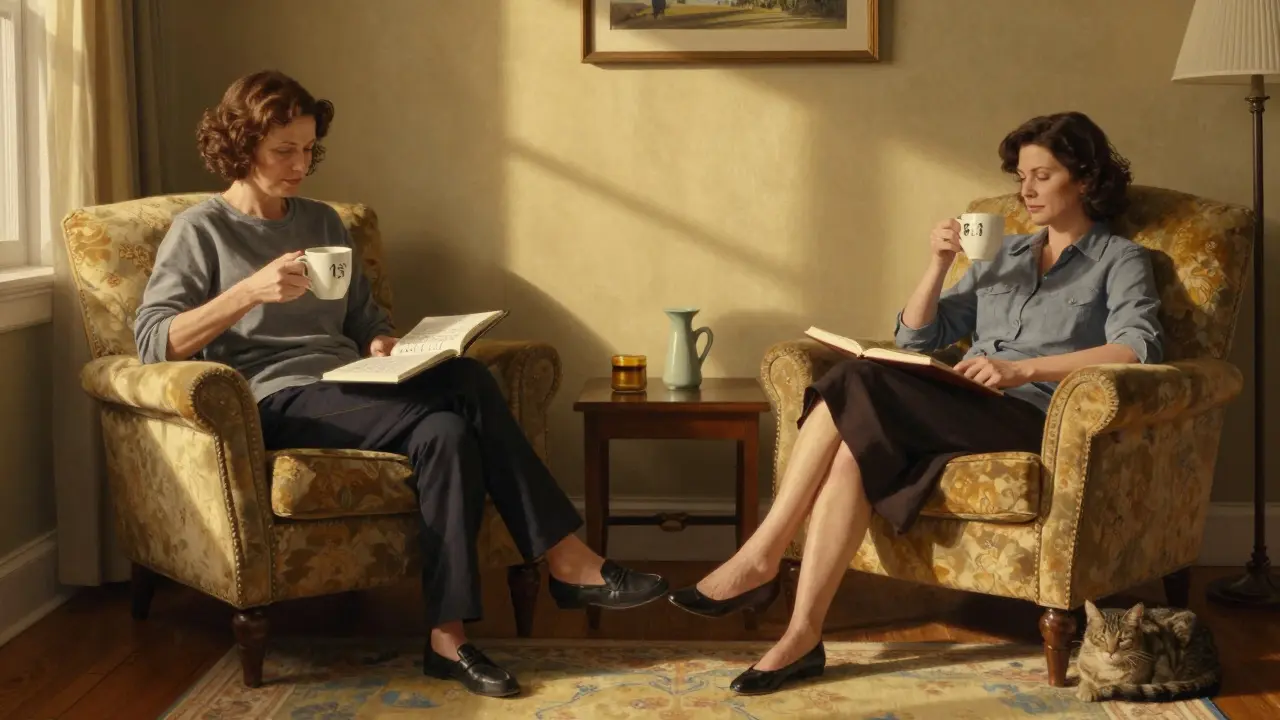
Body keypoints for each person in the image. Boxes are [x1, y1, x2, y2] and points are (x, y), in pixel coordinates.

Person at [134, 70, 668, 698]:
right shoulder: (201, 231)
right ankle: (566, 557)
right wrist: (248, 291)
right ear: (242, 143)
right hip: (273, 401)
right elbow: (153, 341)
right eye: (284, 150)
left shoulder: (324, 224)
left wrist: (383, 345)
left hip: (351, 386)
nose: (301, 165)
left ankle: (448, 640)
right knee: (466, 382)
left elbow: (363, 319)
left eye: (309, 149)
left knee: (446, 432)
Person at [668, 111, 1165, 695]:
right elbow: (917, 338)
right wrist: (937, 264)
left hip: (1035, 415)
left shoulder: (1120, 259)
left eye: (1042, 175)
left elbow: (1139, 346)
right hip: (962, 405)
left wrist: (1023, 368)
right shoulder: (1002, 255)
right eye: (1021, 176)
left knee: (855, 378)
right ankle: (802, 636)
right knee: (853, 451)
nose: (1025, 190)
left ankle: (761, 555)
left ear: (1083, 179)